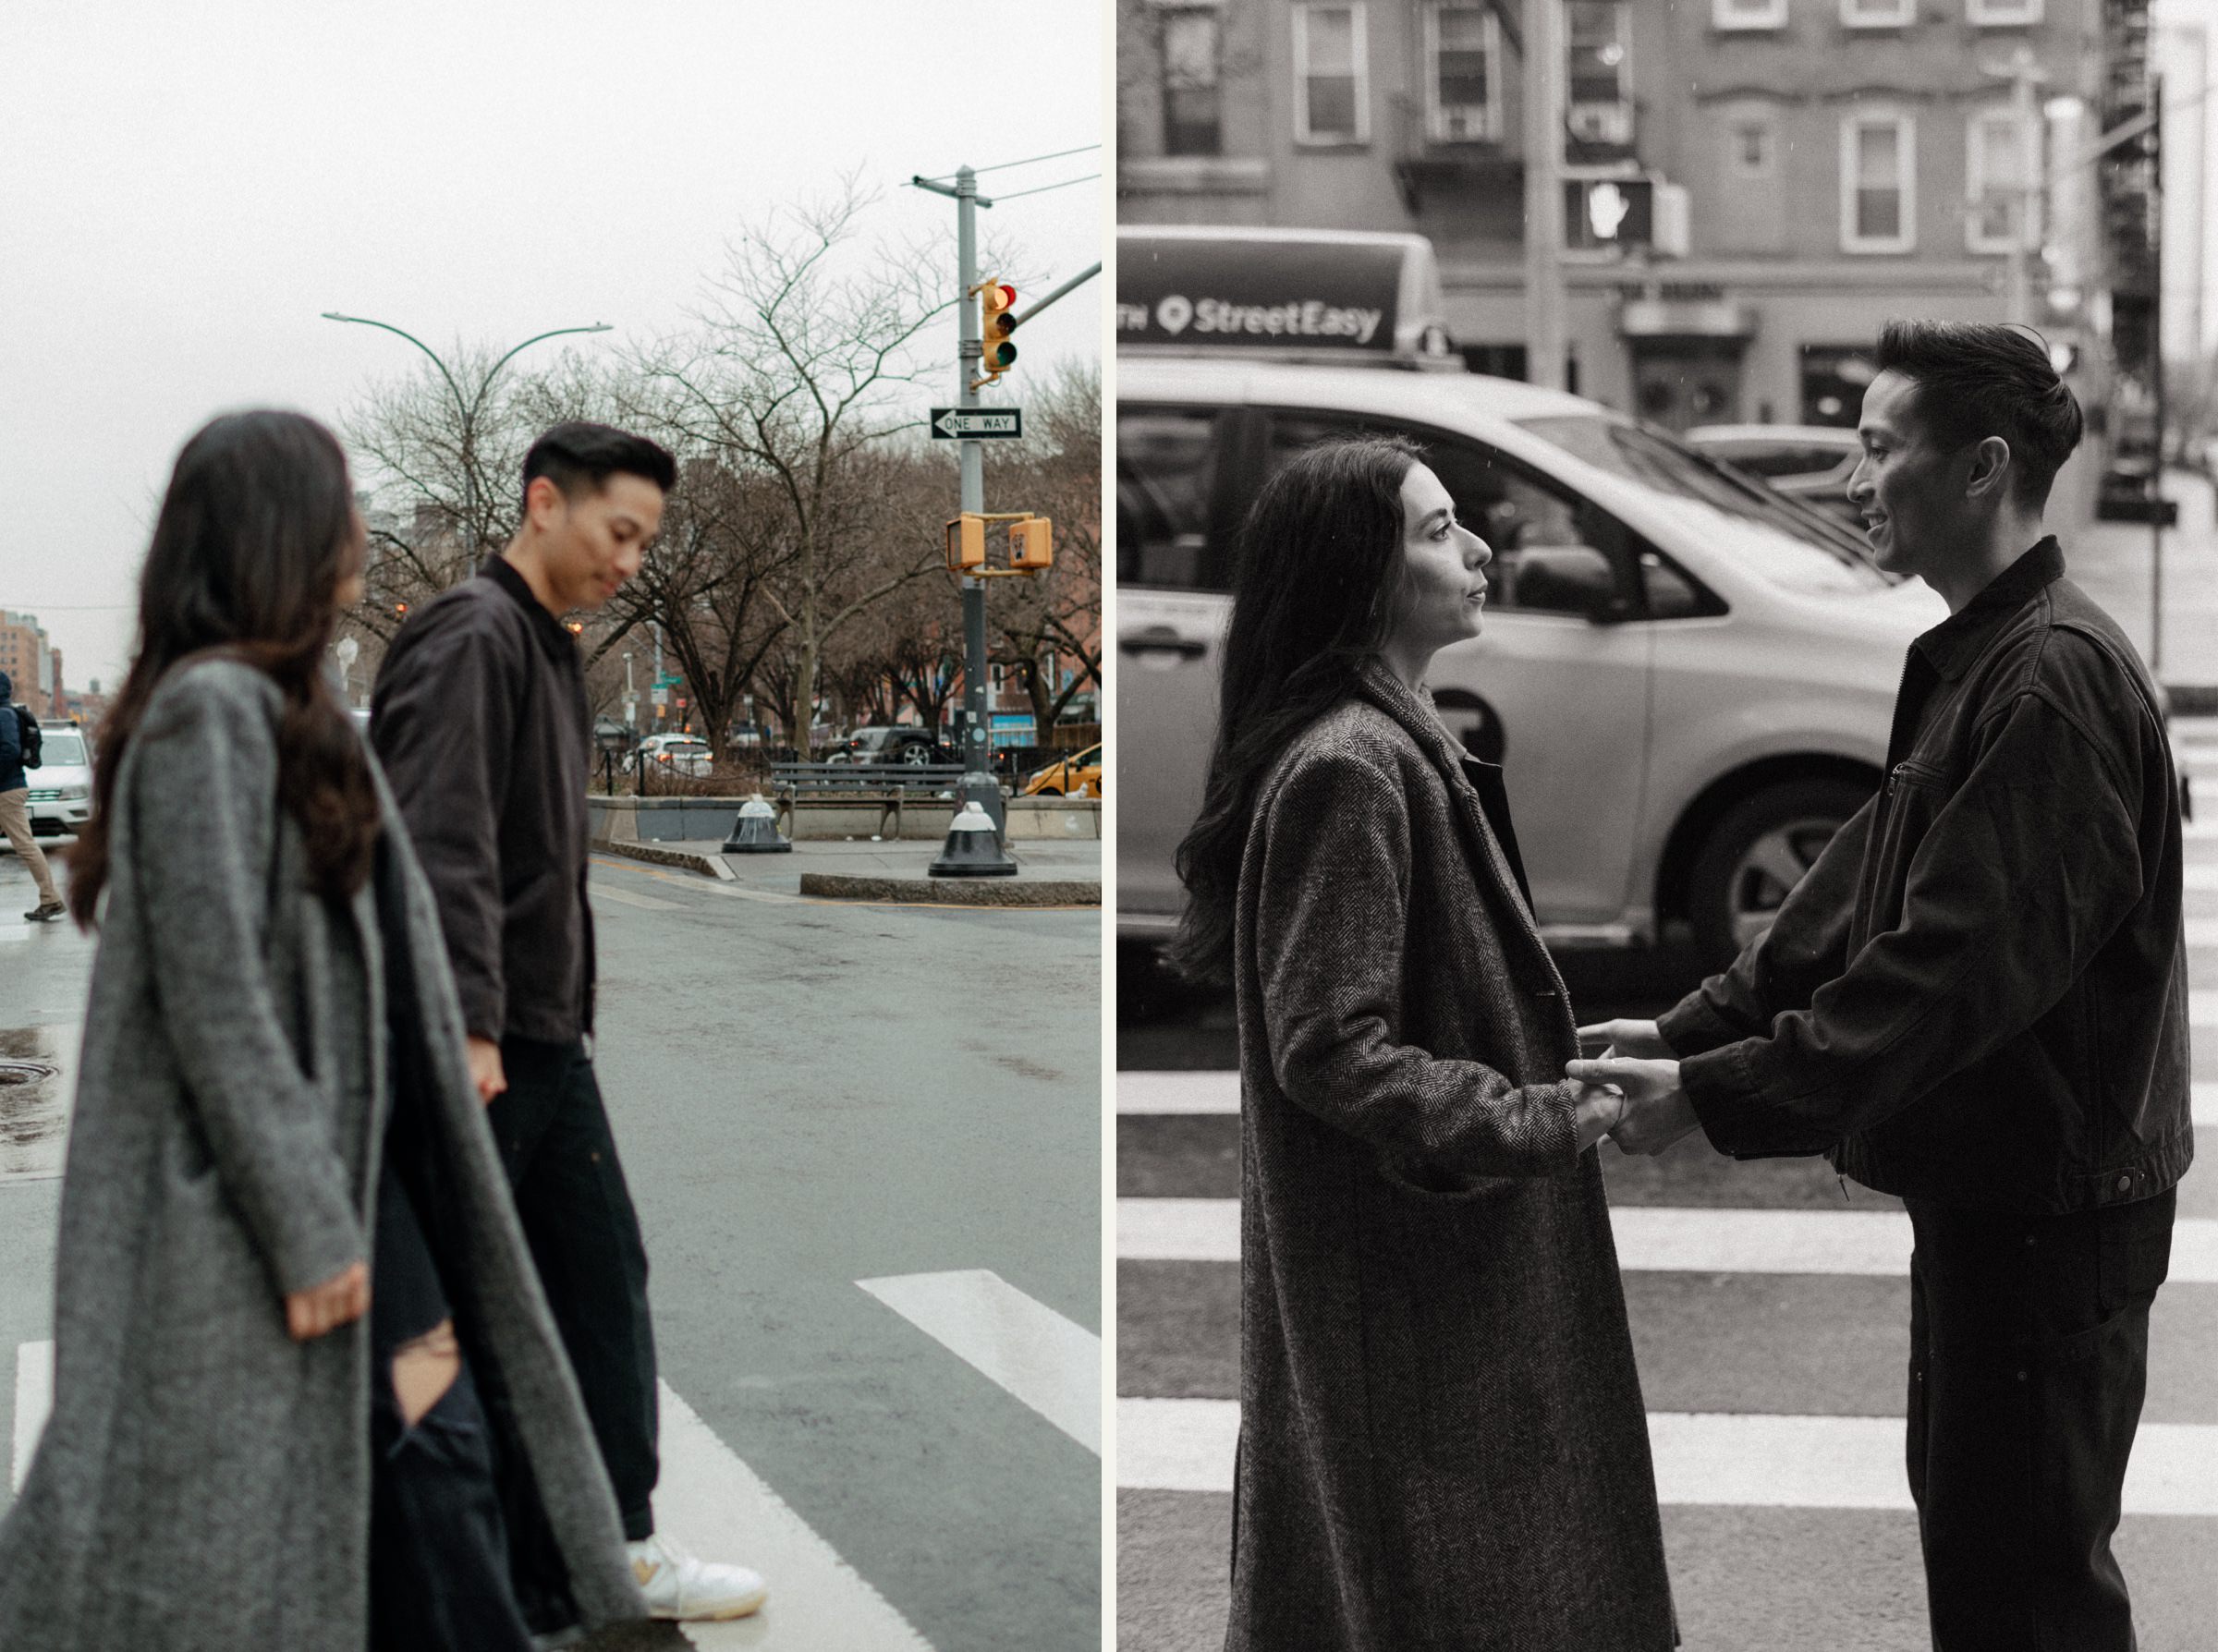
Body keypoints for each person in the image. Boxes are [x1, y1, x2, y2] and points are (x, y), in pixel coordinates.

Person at [1575, 321, 2189, 1652]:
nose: (1852, 481)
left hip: (2048, 1220)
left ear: (1980, 467)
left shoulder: (2050, 684)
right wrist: (1693, 1028)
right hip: (2004, 1203)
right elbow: (1856, 892)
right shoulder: (1986, 654)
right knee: (1991, 1563)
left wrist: (1715, 1093)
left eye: (1876, 447)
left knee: (2027, 1596)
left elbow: (1941, 977)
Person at [0, 410, 641, 1651]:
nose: (358, 528)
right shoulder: (209, 713)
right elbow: (219, 994)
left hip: (365, 1178)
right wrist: (304, 1220)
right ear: (279, 530)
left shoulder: (288, 708)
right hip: (279, 1200)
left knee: (432, 1450)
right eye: (340, 501)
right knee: (426, 1457)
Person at [1169, 434, 1675, 1650]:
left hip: (1428, 1271)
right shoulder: (1351, 766)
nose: (1482, 547)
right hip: (1407, 1287)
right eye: (1440, 529)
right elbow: (1328, 1045)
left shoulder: (1390, 740)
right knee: (1442, 1591)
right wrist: (1534, 1117)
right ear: (1362, 574)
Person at [372, 421, 767, 1622]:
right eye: (619, 532)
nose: (631, 561)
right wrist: (470, 1027)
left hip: (539, 1036)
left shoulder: (543, 644)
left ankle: (593, 1554)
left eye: (646, 542)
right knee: (457, 1312)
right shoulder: (475, 636)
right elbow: (440, 844)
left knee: (591, 1283)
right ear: (544, 503)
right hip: (488, 1044)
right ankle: (450, 1562)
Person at [0, 671, 66, 921]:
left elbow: (10, 750)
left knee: (25, 846)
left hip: (6, 792)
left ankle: (51, 899)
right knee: (26, 845)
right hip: (7, 789)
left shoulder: (4, 715)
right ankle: (50, 899)